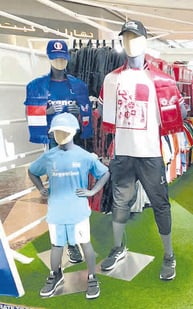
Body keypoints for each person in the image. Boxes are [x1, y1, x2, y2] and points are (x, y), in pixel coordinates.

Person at [98, 20, 176, 281]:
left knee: (160, 204)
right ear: (121, 41)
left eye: (136, 37)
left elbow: (175, 113)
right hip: (123, 152)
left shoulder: (160, 79)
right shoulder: (111, 79)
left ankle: (169, 255)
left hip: (150, 153)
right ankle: (118, 247)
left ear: (145, 41)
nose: (130, 42)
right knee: (120, 204)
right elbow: (102, 112)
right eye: (126, 37)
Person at [24, 39, 94, 263]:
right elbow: (32, 116)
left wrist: (77, 113)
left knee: (75, 192)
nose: (60, 61)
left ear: (68, 58)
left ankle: (75, 241)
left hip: (74, 145)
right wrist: (45, 111)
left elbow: (85, 117)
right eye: (55, 57)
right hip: (54, 147)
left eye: (63, 57)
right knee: (58, 195)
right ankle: (65, 243)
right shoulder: (38, 86)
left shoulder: (77, 85)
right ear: (49, 58)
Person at [28, 113, 110, 299]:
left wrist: (92, 191)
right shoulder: (49, 156)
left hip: (78, 211)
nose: (60, 135)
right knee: (56, 246)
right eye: (56, 131)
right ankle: (55, 275)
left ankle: (92, 277)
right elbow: (32, 171)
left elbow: (104, 173)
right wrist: (41, 188)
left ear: (74, 132)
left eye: (64, 131)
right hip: (56, 211)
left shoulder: (84, 156)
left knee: (85, 244)